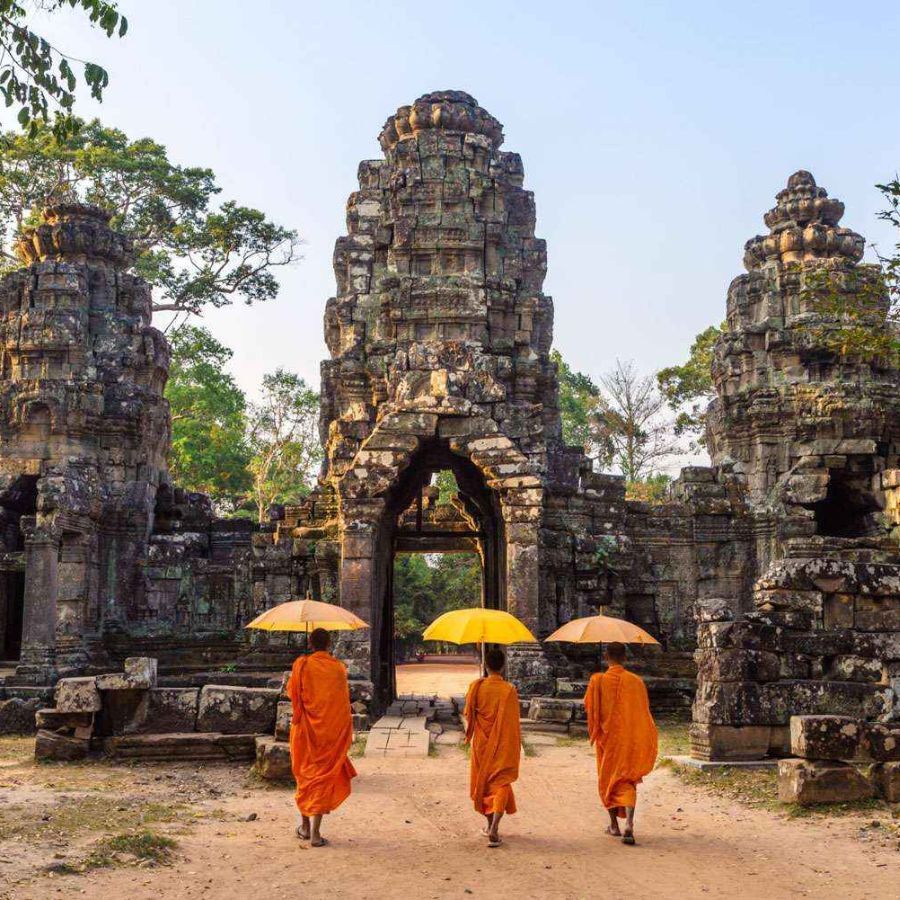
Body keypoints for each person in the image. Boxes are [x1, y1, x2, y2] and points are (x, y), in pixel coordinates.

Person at [285, 627, 357, 846]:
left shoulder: (301, 665)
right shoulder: (338, 669)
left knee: (305, 777)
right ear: (329, 643)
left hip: (305, 733)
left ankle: (305, 827)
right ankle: (315, 833)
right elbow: (343, 704)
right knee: (322, 779)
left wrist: (292, 680)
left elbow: (292, 694)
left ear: (310, 642)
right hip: (330, 733)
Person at [583, 641, 658, 845]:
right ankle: (630, 824)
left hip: (607, 741)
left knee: (608, 779)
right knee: (626, 780)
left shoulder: (597, 680)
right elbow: (644, 712)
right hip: (628, 739)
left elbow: (590, 708)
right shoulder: (636, 682)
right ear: (625, 658)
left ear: (606, 657)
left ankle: (614, 825)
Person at [464, 647, 521, 848]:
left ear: (486, 665)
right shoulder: (509, 690)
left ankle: (489, 826)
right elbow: (514, 722)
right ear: (503, 666)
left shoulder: (476, 687)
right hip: (503, 744)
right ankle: (495, 826)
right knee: (501, 782)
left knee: (485, 782)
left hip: (481, 743)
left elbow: (468, 715)